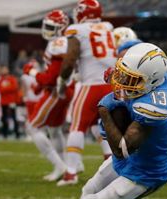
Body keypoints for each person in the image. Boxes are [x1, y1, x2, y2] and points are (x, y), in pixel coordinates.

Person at [23, 42, 167, 199]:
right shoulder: (153, 79)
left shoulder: (154, 107)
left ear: (151, 82)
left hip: (145, 173)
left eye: (131, 79)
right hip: (129, 161)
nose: (123, 82)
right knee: (87, 194)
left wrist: (105, 113)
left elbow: (122, 149)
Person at [57, 0, 116, 186]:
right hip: (111, 84)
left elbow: (70, 59)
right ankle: (111, 164)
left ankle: (71, 173)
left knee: (77, 126)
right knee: (103, 125)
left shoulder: (77, 30)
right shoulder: (107, 27)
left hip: (91, 84)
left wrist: (62, 79)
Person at [24, 10, 74, 181]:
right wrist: (40, 83)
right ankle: (67, 167)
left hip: (56, 90)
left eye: (51, 27)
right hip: (63, 89)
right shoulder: (63, 41)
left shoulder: (58, 43)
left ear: (61, 27)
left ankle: (60, 166)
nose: (47, 30)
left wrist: (32, 72)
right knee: (54, 129)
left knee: (33, 127)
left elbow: (52, 76)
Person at [0, 66, 20, 138]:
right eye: (3, 69)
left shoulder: (12, 78)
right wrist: (8, 89)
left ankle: (17, 133)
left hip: (11, 101)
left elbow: (14, 88)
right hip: (4, 102)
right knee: (4, 118)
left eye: (5, 69)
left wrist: (5, 89)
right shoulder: (0, 80)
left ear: (8, 70)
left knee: (14, 117)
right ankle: (5, 134)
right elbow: (0, 90)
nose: (4, 71)